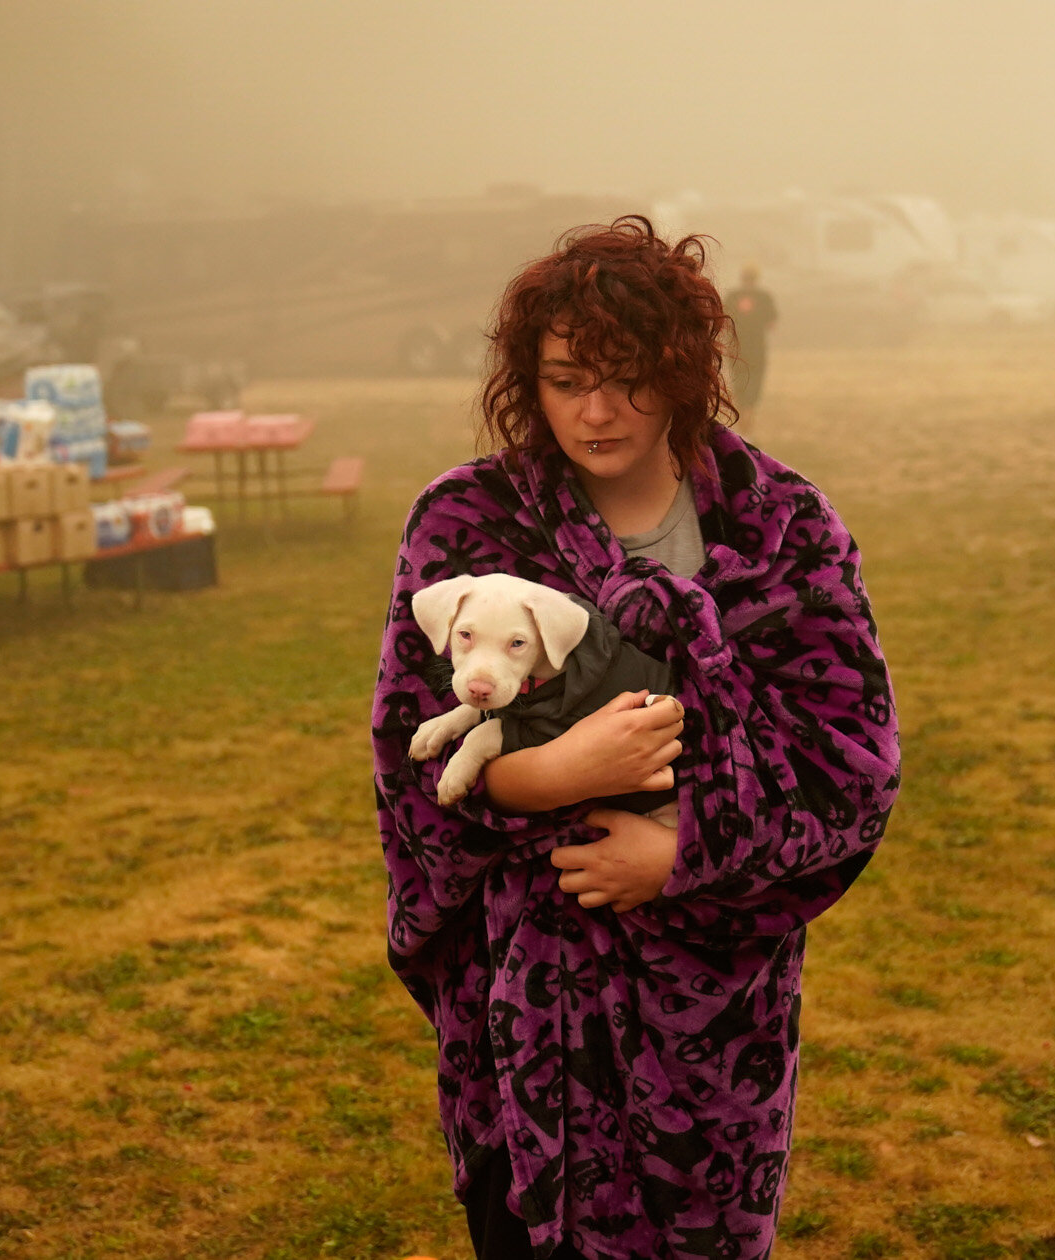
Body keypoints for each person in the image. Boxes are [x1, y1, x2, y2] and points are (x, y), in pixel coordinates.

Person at [372, 216, 899, 1260]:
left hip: (713, 1030)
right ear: (529, 380)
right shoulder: (469, 523)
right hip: (528, 1019)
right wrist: (544, 775)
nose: (597, 410)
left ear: (685, 371)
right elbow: (406, 755)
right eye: (566, 379)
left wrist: (680, 854)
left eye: (626, 376)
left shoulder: (782, 527)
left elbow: (851, 768)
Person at [724, 263, 778, 418]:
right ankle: (749, 415)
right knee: (754, 384)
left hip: (736, 348)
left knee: (739, 383)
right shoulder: (764, 297)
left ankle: (742, 414)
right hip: (757, 349)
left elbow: (724, 323)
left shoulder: (732, 296)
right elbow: (772, 323)